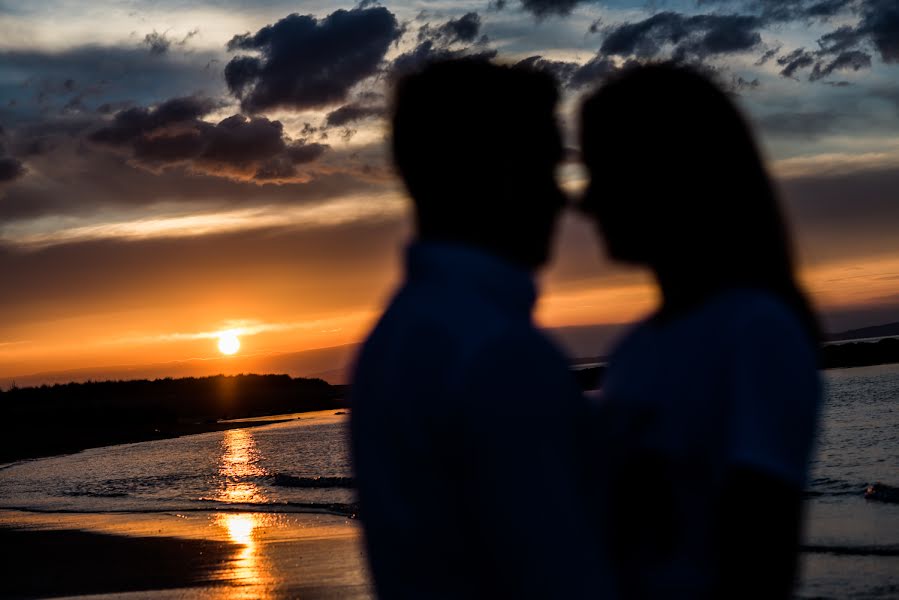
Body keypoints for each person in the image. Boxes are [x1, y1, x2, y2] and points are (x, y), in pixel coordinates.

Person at [350, 59, 614, 599]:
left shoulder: (388, 343)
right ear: (502, 174)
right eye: (547, 167)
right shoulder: (500, 353)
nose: (562, 197)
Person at [578, 63, 821, 600]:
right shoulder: (633, 352)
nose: (586, 202)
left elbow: (759, 562)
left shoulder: (757, 334)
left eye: (604, 171)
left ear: (667, 173)